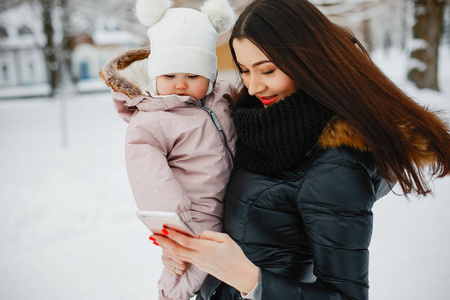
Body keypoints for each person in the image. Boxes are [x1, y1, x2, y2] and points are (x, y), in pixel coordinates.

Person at [150, 0, 450, 299]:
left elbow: (346, 295)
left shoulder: (337, 162)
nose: (253, 87)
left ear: (309, 61)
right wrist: (192, 254)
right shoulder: (255, 122)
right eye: (244, 70)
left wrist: (247, 277)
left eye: (267, 70)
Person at [99, 0, 236, 299]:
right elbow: (147, 175)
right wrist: (175, 219)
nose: (180, 85)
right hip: (193, 211)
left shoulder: (223, 97)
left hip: (232, 201)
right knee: (188, 268)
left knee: (222, 269)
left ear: (210, 76)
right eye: (170, 76)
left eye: (192, 76)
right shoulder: (152, 119)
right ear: (156, 74)